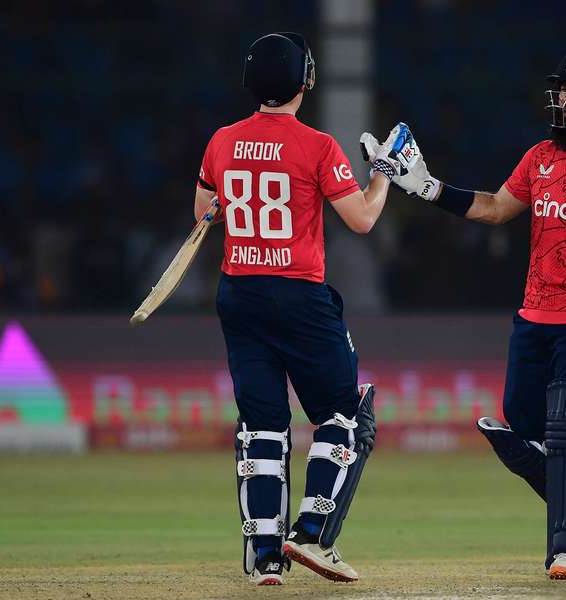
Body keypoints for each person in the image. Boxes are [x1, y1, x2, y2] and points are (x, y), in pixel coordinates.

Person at [361, 48, 566, 580]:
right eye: (562, 89)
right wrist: (426, 187)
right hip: (535, 314)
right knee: (523, 422)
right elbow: (494, 208)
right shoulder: (539, 157)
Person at [195, 32, 412, 585]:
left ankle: (264, 555)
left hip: (238, 294)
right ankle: (311, 534)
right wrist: (383, 172)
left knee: (263, 426)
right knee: (340, 414)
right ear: (305, 81)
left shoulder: (222, 141)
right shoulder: (316, 146)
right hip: (298, 295)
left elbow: (205, 212)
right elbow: (362, 220)